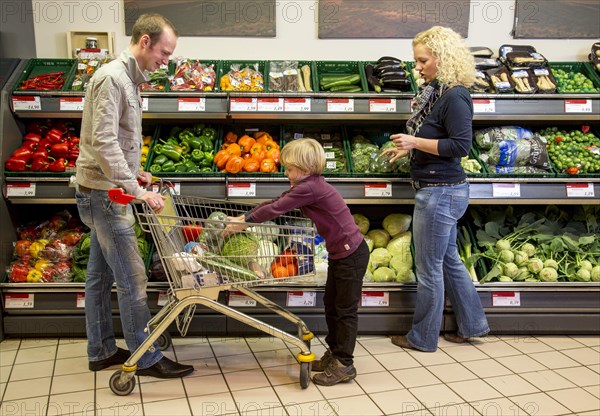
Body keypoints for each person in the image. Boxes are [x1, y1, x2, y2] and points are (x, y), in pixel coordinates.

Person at [75, 13, 193, 378]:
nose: (166, 60)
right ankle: (146, 357)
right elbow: (104, 141)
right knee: (132, 280)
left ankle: (100, 350)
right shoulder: (112, 79)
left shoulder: (127, 79)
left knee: (98, 276)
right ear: (145, 41)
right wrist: (136, 189)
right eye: (164, 51)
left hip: (101, 189)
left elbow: (114, 143)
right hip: (106, 197)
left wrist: (132, 170)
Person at [223, 138, 369, 386]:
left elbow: (277, 208)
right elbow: (274, 202)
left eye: (289, 169)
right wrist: (244, 216)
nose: (286, 173)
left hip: (351, 255)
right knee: (332, 305)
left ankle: (344, 364)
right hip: (341, 254)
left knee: (344, 311)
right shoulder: (308, 185)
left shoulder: (309, 188)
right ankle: (334, 354)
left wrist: (245, 221)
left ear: (304, 168)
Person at [382, 26, 489, 352]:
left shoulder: (455, 96)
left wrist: (414, 140)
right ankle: (474, 325)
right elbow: (437, 138)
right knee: (449, 261)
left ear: (442, 58)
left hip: (440, 193)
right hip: (441, 190)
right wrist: (410, 149)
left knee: (428, 270)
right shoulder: (437, 93)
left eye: (422, 61)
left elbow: (460, 145)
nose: (417, 68)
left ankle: (423, 337)